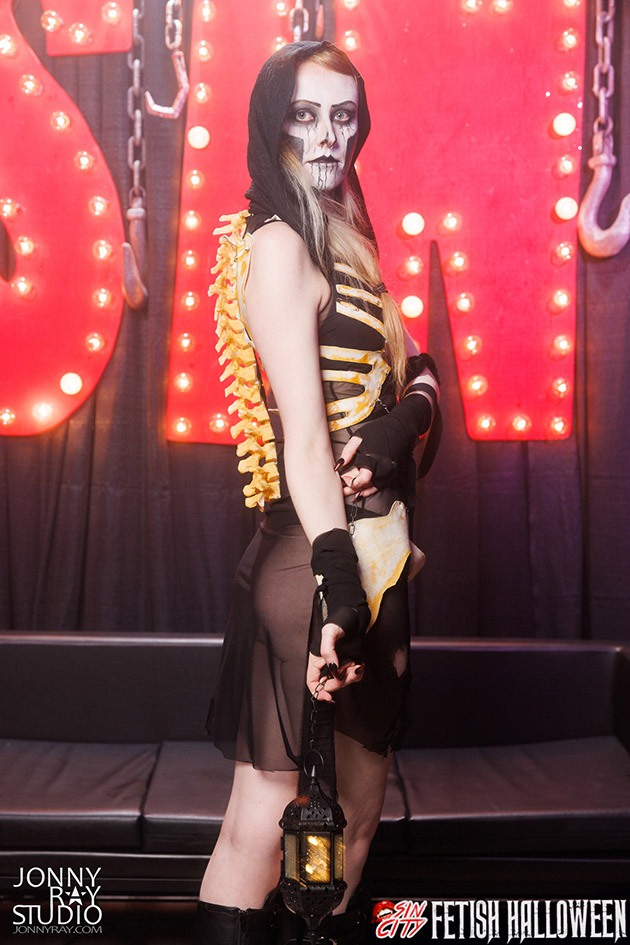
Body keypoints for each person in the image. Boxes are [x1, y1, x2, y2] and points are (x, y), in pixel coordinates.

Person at [194, 40, 440, 945]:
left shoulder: (343, 234)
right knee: (263, 824)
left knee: (356, 824)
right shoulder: (278, 243)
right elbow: (303, 437)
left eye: (344, 115)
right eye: (305, 114)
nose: (329, 134)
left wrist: (411, 409)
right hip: (318, 562)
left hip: (377, 559)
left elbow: (403, 376)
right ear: (272, 122)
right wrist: (337, 586)